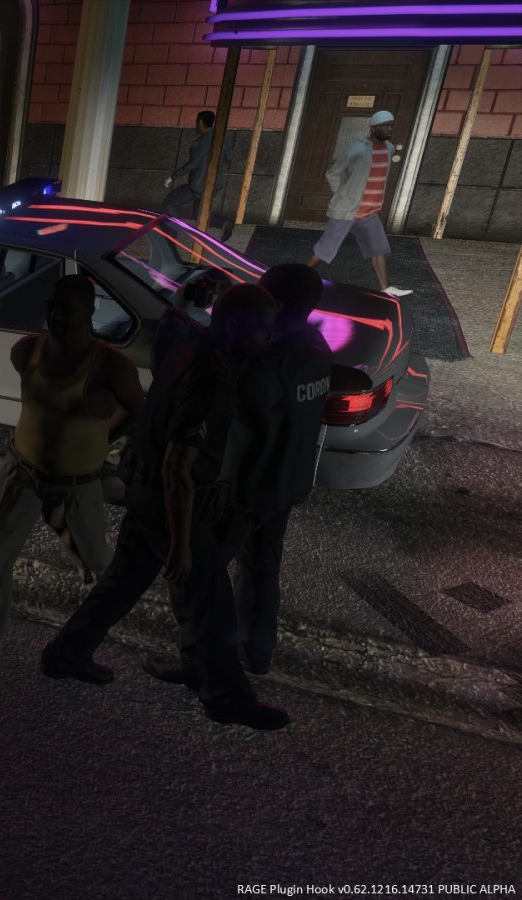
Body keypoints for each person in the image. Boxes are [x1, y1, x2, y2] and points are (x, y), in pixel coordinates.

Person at [40, 284, 293, 731]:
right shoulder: (212, 377)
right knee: (211, 598)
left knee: (122, 582)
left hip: (144, 488)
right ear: (234, 328)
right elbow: (178, 466)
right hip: (166, 498)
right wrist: (180, 545)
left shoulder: (189, 345)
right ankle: (225, 698)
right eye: (263, 330)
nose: (269, 337)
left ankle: (65, 654)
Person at [0, 274, 144, 676]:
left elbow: (137, 409)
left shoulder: (112, 367)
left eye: (66, 309)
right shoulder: (27, 351)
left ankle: (77, 649)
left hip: (75, 485)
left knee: (100, 570)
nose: (56, 316)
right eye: (52, 307)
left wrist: (103, 439)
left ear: (89, 311)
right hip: (21, 473)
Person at [229, 264, 334, 675]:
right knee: (261, 569)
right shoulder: (316, 345)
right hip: (287, 482)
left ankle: (205, 656)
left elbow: (243, 398)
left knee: (204, 569)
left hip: (250, 486)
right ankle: (256, 652)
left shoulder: (273, 360)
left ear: (275, 303)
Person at [307, 110, 413, 298]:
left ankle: (385, 288)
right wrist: (342, 194)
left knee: (378, 248)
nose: (389, 129)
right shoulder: (357, 148)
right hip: (347, 211)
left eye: (391, 125)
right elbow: (333, 173)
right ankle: (298, 278)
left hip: (369, 212)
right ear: (373, 128)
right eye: (385, 126)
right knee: (324, 251)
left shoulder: (389, 148)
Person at [163, 111, 236, 241]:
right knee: (199, 213)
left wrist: (173, 176)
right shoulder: (223, 139)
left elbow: (192, 164)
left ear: (201, 122)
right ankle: (225, 223)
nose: (196, 125)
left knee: (170, 202)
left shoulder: (200, 142)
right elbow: (229, 158)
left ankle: (170, 236)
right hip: (215, 184)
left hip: (198, 185)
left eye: (197, 122)